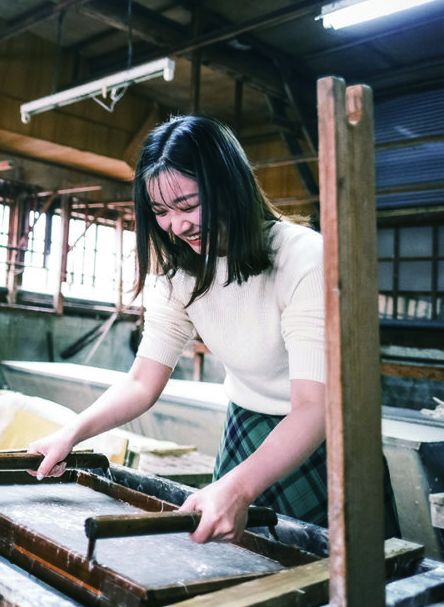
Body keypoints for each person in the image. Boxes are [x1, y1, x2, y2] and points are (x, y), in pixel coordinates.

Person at [28, 114, 400, 544]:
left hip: (323, 435)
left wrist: (240, 486)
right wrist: (70, 434)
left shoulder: (305, 258)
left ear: (230, 185)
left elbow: (314, 407)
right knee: (236, 566)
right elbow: (141, 383)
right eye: (161, 212)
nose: (177, 225)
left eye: (188, 205)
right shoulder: (176, 274)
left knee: (339, 576)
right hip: (245, 426)